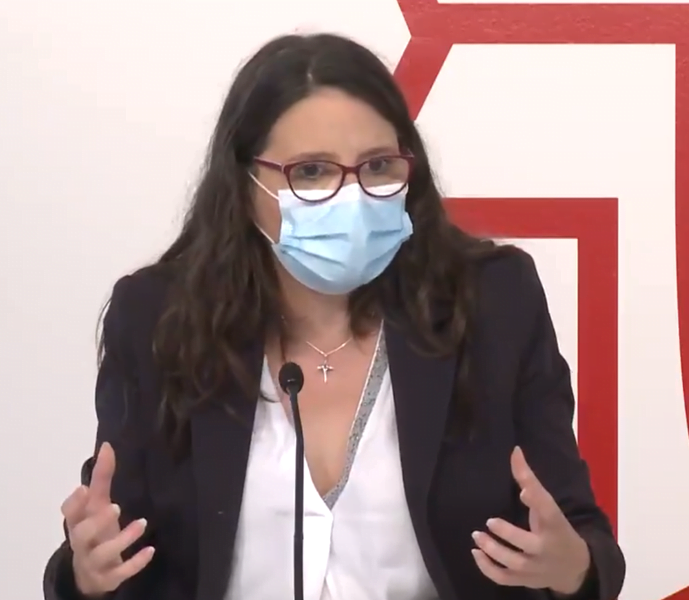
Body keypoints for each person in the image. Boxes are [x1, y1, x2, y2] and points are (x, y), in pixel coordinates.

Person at [42, 32, 625, 600]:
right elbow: (113, 548)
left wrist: (571, 568)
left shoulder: (494, 302)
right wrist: (87, 576)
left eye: (377, 166)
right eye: (311, 172)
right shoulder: (155, 319)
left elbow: (583, 540)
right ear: (245, 185)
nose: (354, 196)